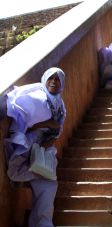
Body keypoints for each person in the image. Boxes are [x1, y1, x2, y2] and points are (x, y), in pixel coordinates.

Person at [4, 67, 66, 227]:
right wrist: (46, 124)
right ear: (45, 79)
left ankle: (43, 224)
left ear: (62, 83)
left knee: (49, 184)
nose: (53, 81)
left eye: (57, 79)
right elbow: (22, 125)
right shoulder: (37, 97)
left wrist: (49, 140)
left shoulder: (60, 106)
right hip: (28, 145)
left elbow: (57, 131)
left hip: (43, 149)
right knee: (19, 173)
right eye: (50, 78)